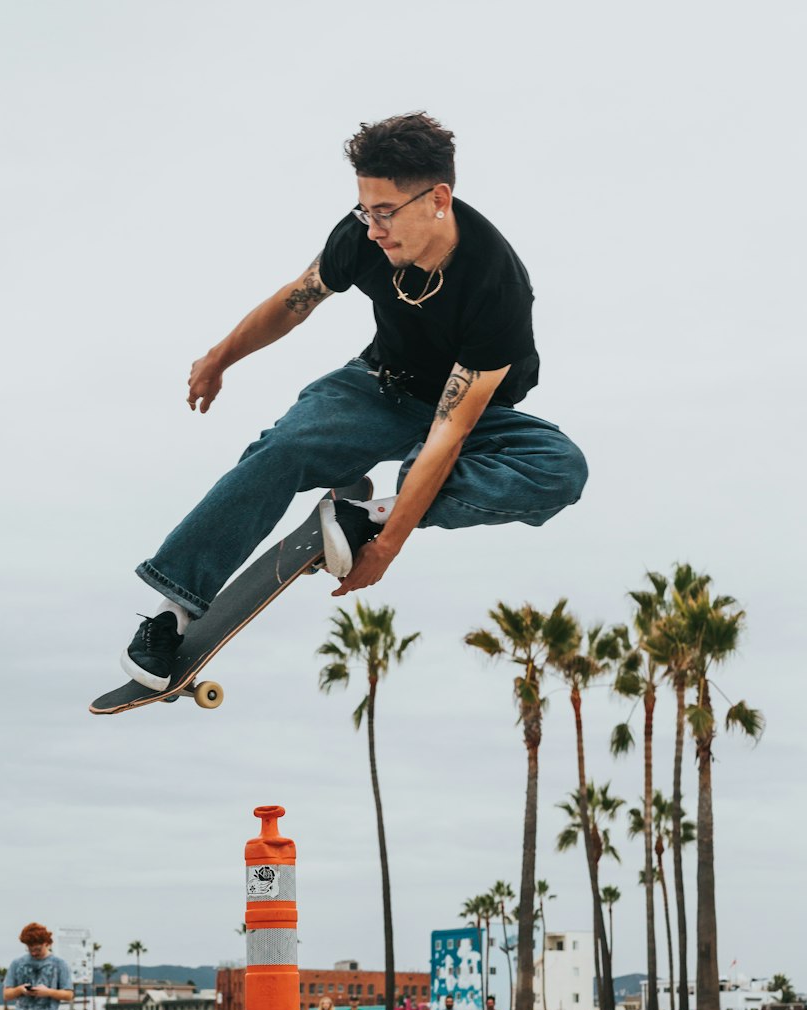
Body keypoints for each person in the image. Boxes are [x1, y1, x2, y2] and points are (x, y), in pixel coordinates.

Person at [118, 111, 587, 691]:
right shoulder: (362, 235)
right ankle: (175, 608)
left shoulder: (496, 285)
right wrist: (220, 358)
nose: (373, 228)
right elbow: (298, 298)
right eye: (365, 209)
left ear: (438, 198)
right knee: (281, 449)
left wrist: (387, 541)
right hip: (376, 386)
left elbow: (449, 431)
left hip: (471, 412)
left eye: (385, 212)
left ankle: (365, 514)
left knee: (560, 470)